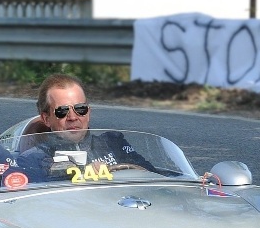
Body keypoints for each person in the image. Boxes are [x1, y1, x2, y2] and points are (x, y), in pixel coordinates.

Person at [17, 74, 156, 177]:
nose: (72, 117)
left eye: (80, 109)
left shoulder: (113, 143)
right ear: (46, 119)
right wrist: (82, 175)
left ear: (88, 112)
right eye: (62, 111)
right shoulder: (32, 160)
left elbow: (154, 176)